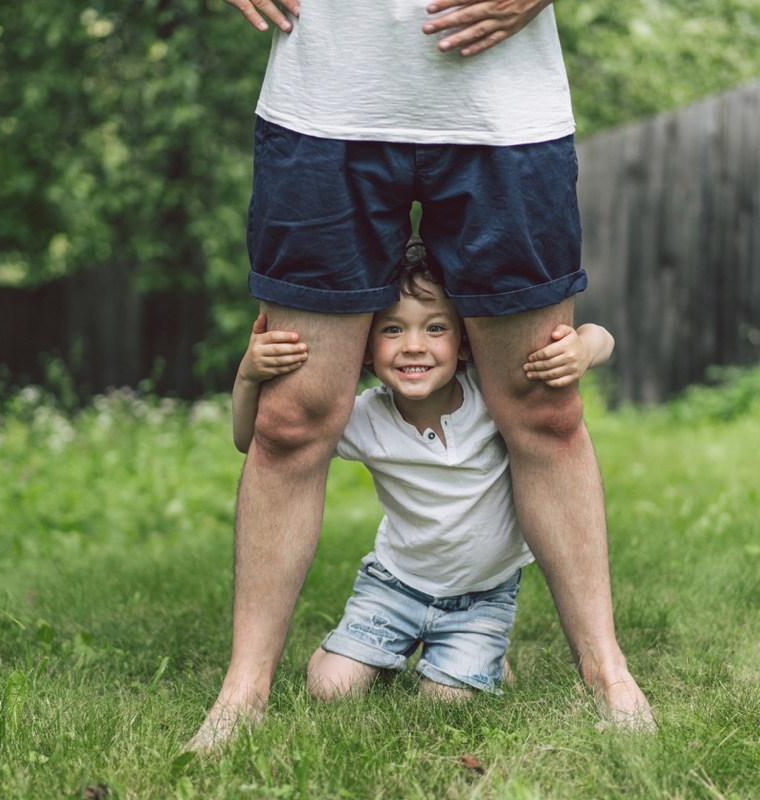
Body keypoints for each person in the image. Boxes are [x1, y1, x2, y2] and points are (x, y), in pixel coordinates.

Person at [186, 0, 655, 751]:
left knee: (544, 410)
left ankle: (607, 673)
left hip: (503, 112)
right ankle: (243, 691)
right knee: (290, 419)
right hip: (324, 106)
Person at [229, 244, 618, 703]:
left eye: (435, 328)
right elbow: (250, 442)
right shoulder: (365, 417)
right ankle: (370, 652)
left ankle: (479, 655)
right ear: (365, 349)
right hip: (393, 588)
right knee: (329, 690)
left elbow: (602, 337)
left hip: (480, 598)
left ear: (465, 342)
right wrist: (248, 376)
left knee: (446, 701)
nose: (414, 345)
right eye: (393, 329)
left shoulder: (493, 402)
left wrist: (584, 348)